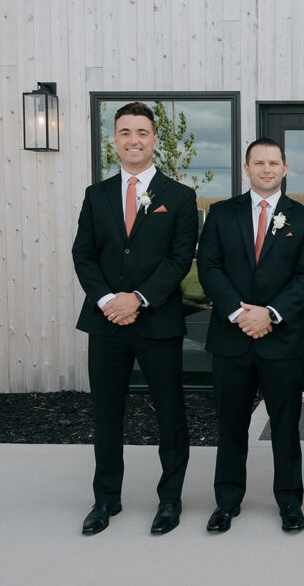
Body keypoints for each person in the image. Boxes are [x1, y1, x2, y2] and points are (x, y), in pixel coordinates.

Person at [71, 101, 198, 536]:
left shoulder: (179, 197)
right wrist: (109, 299)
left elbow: (180, 258)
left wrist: (139, 299)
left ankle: (170, 500)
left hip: (157, 322)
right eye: (125, 132)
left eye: (142, 132)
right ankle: (106, 500)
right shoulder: (97, 195)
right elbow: (83, 254)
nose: (134, 140)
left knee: (170, 414)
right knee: (106, 414)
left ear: (155, 140)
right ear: (114, 141)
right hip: (105, 322)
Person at [197, 138, 304, 534]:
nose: (266, 169)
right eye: (258, 162)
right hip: (231, 337)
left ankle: (289, 501)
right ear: (247, 168)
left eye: (274, 163)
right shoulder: (221, 213)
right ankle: (227, 501)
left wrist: (269, 314)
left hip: (280, 338)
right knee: (231, 424)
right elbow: (209, 267)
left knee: (286, 425)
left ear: (285, 169)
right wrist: (238, 312)